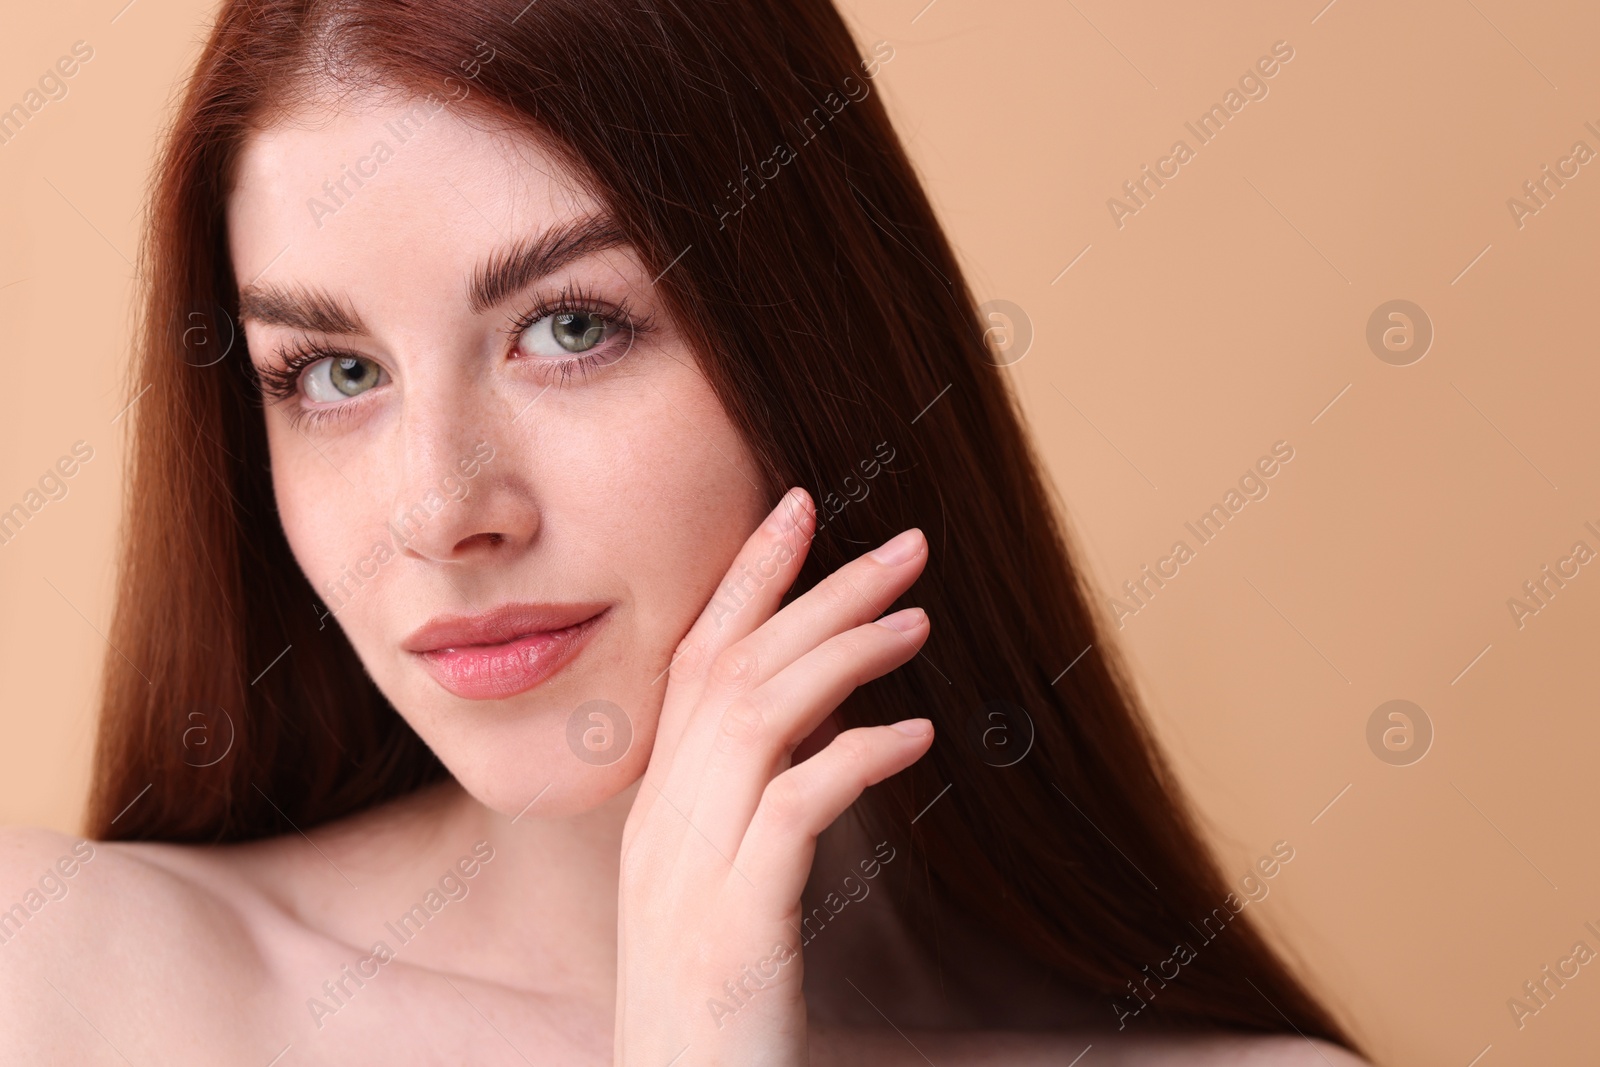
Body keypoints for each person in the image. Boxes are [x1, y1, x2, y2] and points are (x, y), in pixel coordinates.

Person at [0, 0, 1369, 1062]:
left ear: (816, 343)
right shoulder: (48, 976)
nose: (438, 514)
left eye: (570, 328)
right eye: (334, 373)